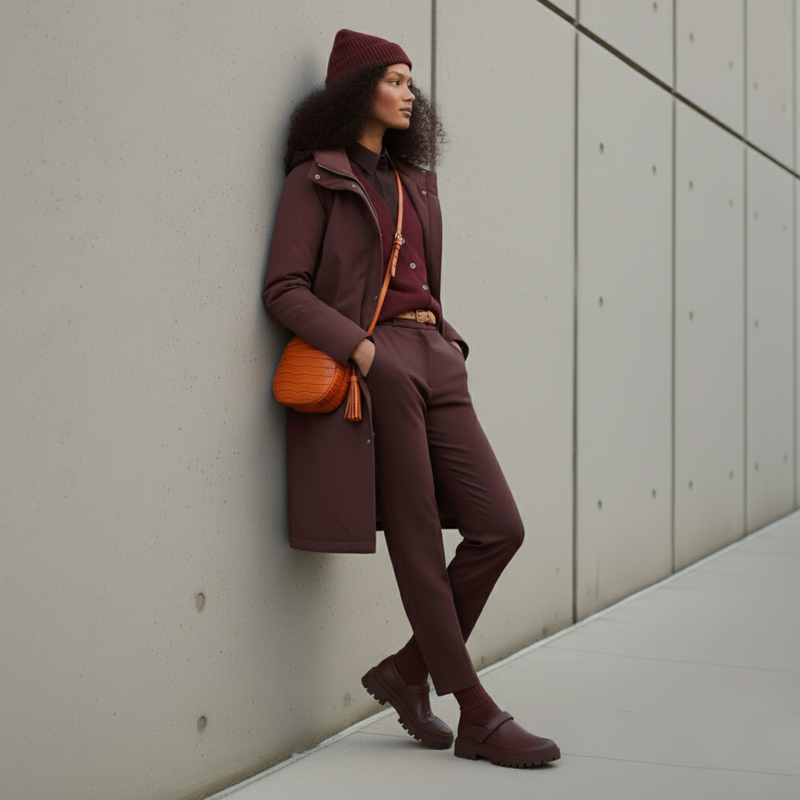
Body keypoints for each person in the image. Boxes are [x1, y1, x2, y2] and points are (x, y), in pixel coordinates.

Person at [263, 28, 560, 768]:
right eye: (396, 79)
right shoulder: (317, 179)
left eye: (410, 81)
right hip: (381, 363)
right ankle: (477, 714)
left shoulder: (412, 181)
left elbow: (422, 279)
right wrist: (365, 352)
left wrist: (448, 342)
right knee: (420, 541)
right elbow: (283, 290)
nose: (409, 92)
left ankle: (405, 672)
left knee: (500, 526)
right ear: (357, 90)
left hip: (437, 357)